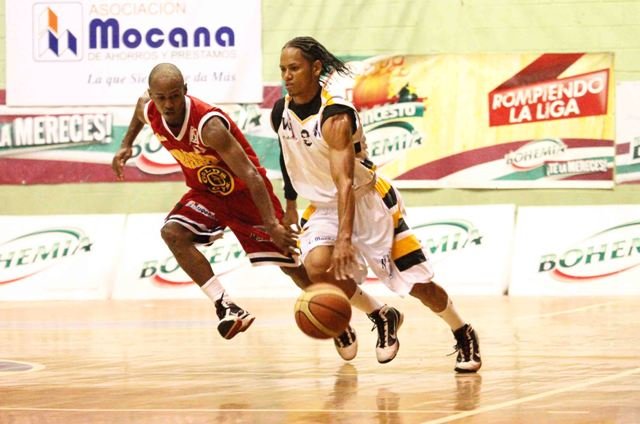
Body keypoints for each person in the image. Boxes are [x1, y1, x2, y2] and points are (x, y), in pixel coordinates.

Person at [271, 36, 482, 373]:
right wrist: (291, 204)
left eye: (294, 68)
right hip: (324, 205)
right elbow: (287, 154)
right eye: (282, 69)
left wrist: (344, 238)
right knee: (317, 268)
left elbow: (344, 183)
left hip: (366, 200)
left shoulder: (335, 115)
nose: (287, 76)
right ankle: (381, 315)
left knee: (418, 286)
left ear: (315, 68)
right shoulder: (281, 110)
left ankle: (462, 331)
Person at [112, 63, 312, 341]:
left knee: (290, 265)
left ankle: (337, 314)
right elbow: (140, 109)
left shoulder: (209, 126)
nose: (168, 104)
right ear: (152, 95)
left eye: (174, 95)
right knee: (172, 233)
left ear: (185, 90)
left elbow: (253, 176)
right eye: (161, 97)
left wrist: (271, 223)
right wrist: (126, 143)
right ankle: (226, 306)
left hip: (246, 195)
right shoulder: (150, 108)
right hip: (207, 193)